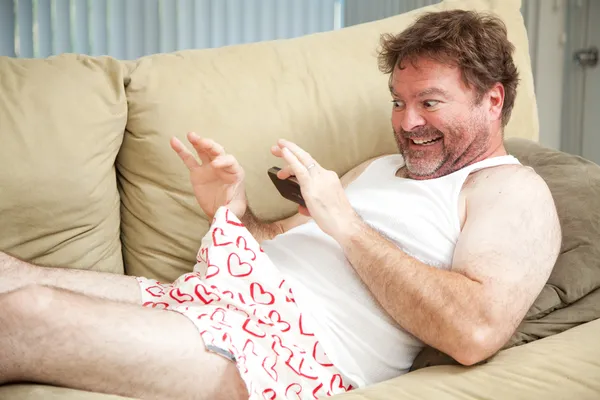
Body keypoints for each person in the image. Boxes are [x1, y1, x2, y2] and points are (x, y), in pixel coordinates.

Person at [0, 9, 561, 400]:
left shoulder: (513, 192)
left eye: (429, 102)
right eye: (399, 101)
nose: (406, 122)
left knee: (26, 316)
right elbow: (280, 240)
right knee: (9, 275)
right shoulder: (377, 169)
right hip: (218, 300)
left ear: (493, 101)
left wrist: (347, 224)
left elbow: (475, 332)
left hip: (289, 353)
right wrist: (234, 212)